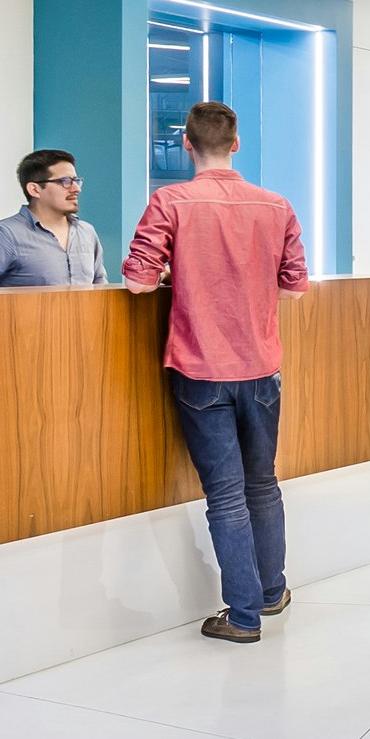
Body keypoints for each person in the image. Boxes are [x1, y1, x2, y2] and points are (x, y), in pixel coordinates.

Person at [121, 102, 309, 645]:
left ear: (185, 144)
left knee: (225, 496)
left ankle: (243, 615)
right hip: (261, 366)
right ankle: (271, 592)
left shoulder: (170, 201)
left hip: (200, 368)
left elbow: (135, 283)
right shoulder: (275, 205)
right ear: (237, 144)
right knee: (263, 485)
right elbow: (295, 286)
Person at [0, 148, 105, 287]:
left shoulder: (87, 232)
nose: (76, 189)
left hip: (83, 322)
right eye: (65, 181)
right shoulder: (5, 236)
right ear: (35, 189)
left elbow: (99, 284)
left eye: (76, 181)